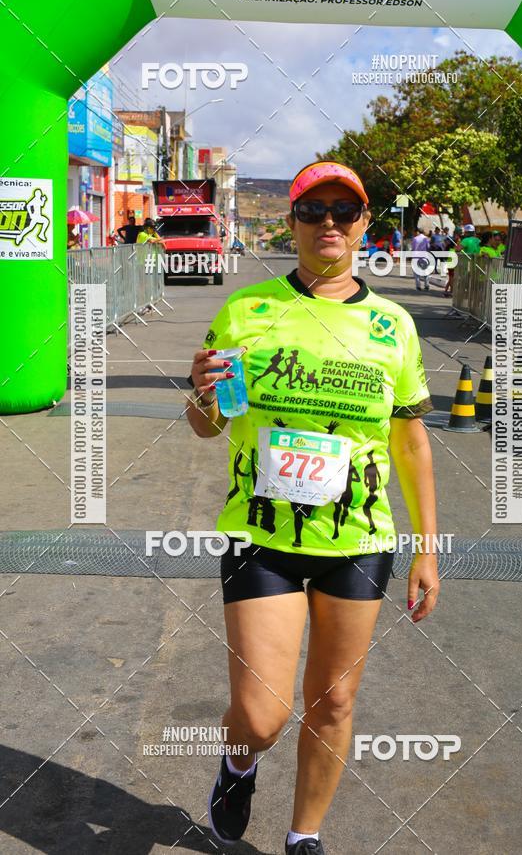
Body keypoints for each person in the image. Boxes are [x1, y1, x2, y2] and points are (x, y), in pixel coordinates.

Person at [186, 160, 440, 855]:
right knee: (263, 715)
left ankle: (305, 837)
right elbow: (210, 424)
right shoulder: (249, 310)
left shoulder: (392, 326)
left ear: (362, 225)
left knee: (333, 703)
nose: (328, 221)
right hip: (260, 536)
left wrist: (427, 549)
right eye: (313, 209)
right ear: (291, 222)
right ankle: (240, 763)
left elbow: (411, 442)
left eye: (343, 210)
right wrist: (202, 394)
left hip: (358, 540)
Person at [411, 226, 431, 291]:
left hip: (416, 257)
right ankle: (426, 285)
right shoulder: (426, 239)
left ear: (418, 232)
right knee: (426, 271)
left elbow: (413, 248)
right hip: (424, 257)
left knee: (416, 273)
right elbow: (428, 247)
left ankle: (418, 286)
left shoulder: (415, 239)